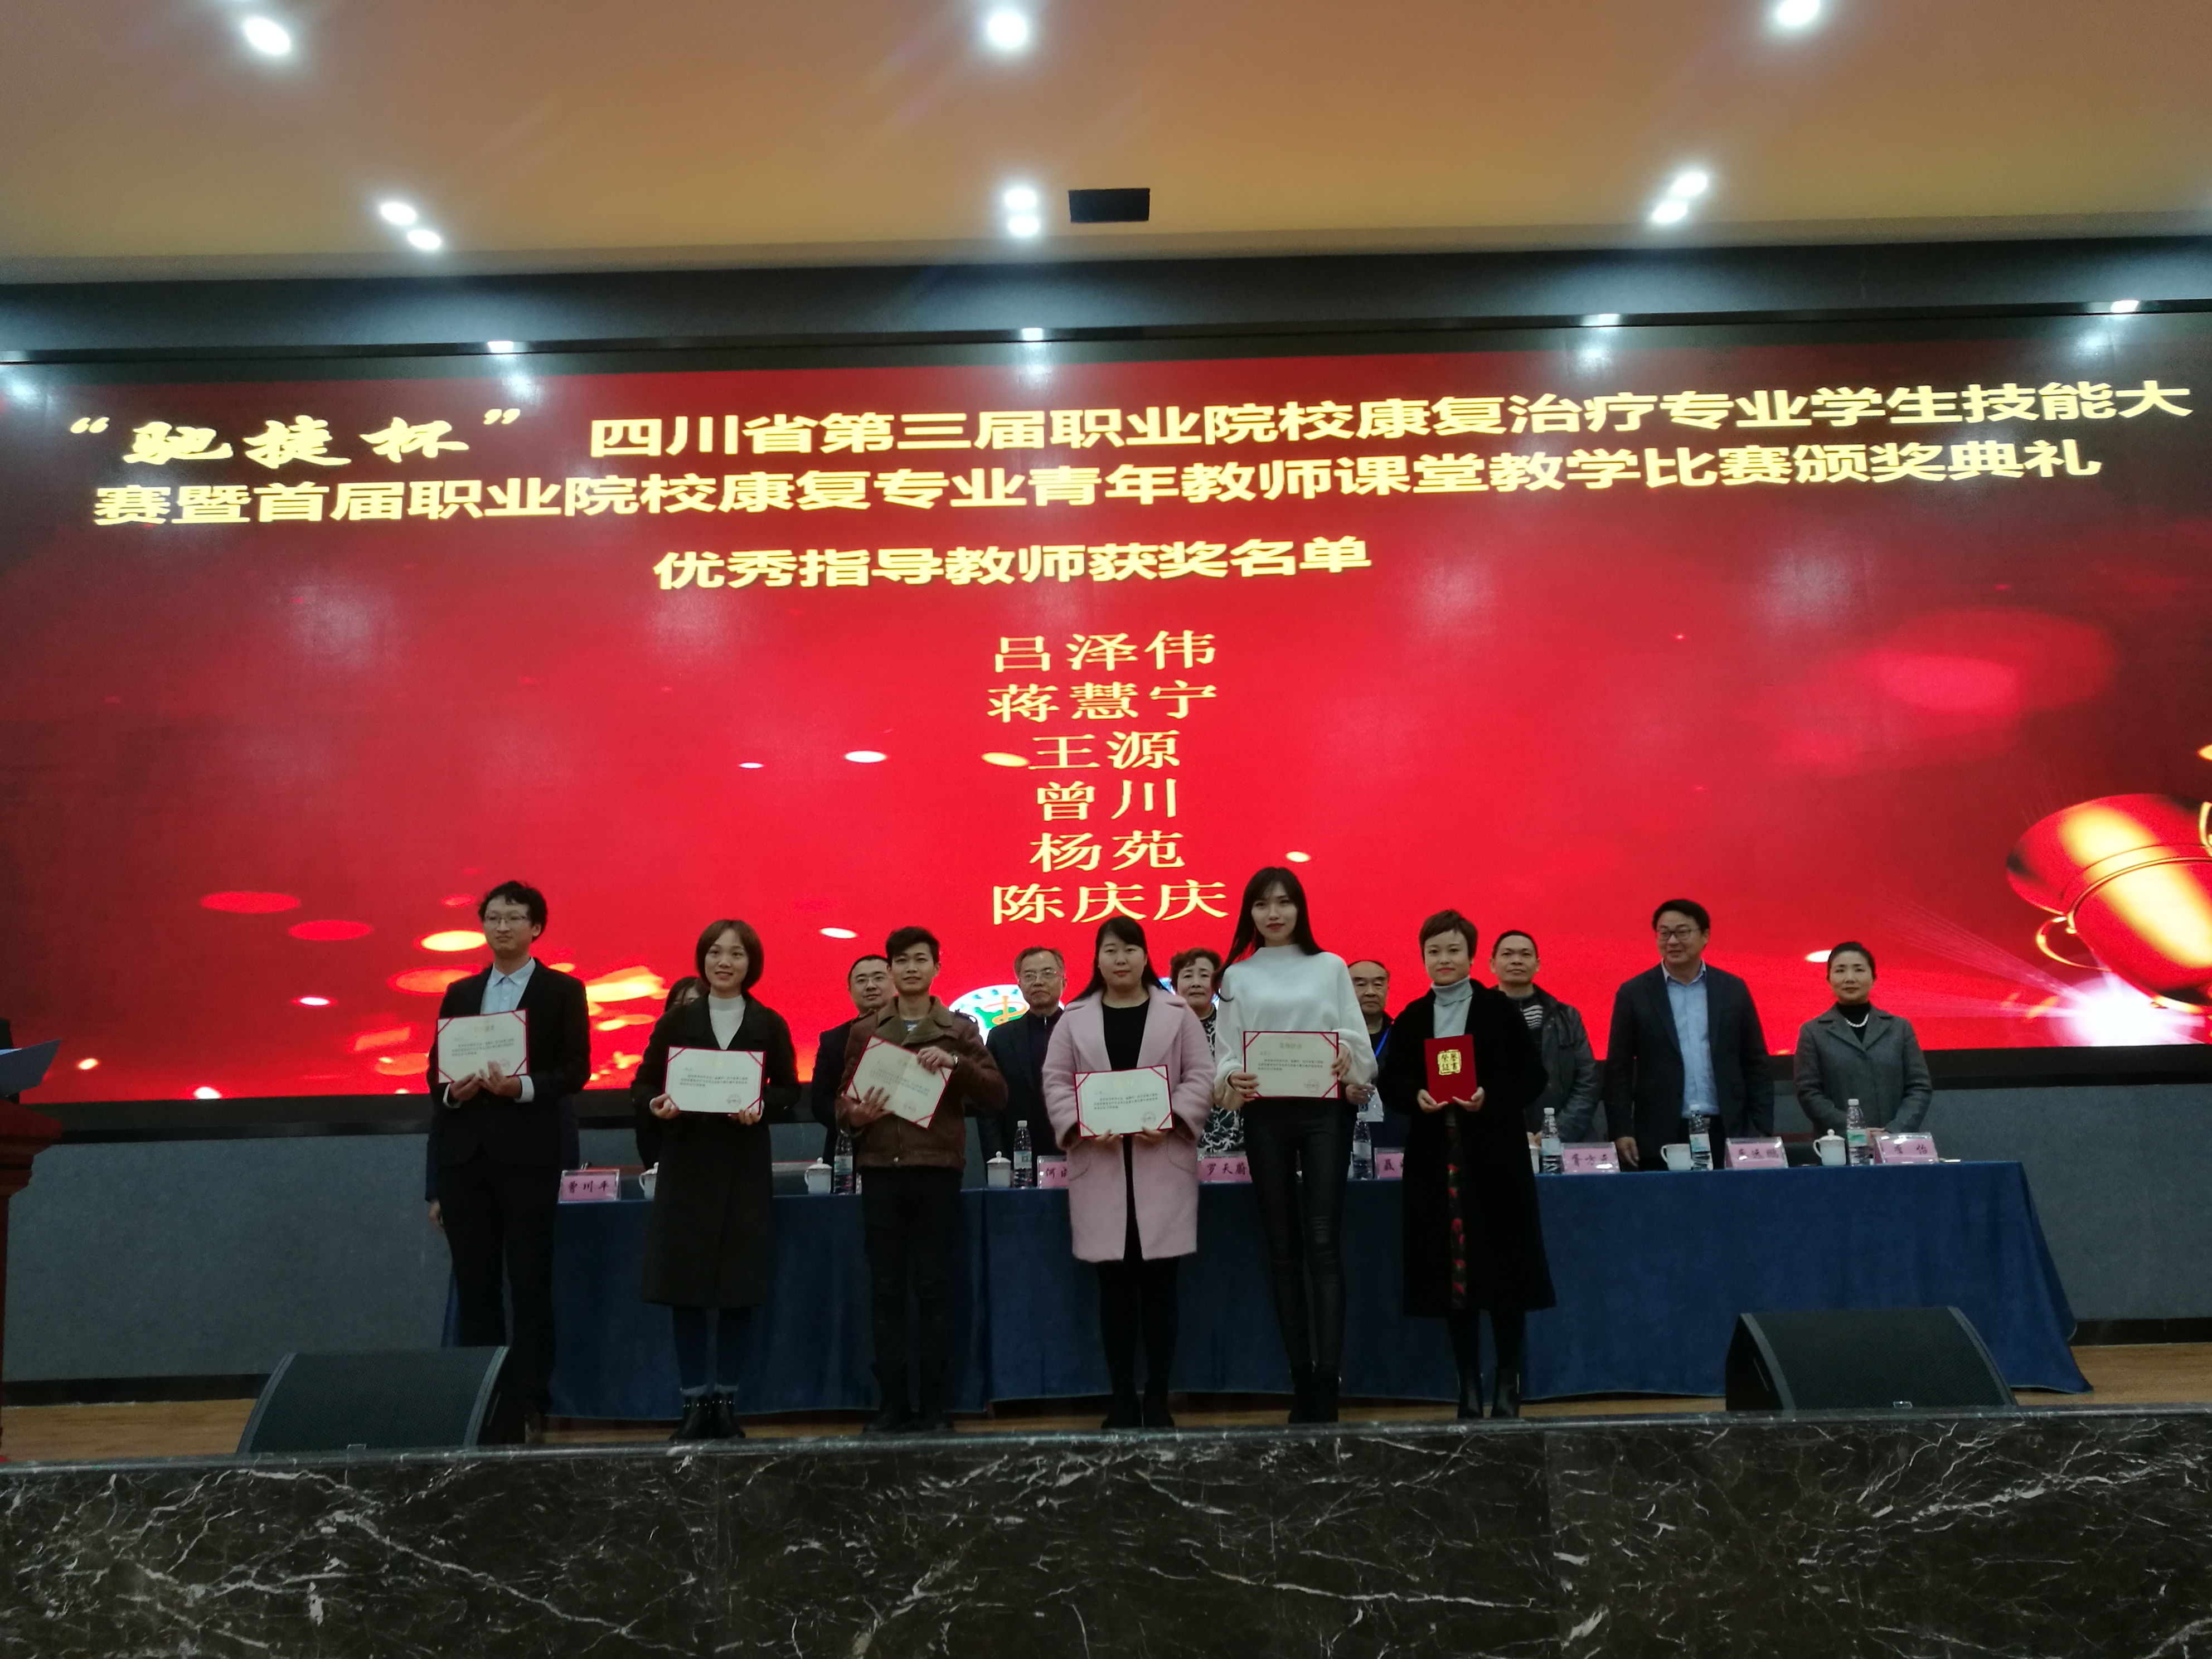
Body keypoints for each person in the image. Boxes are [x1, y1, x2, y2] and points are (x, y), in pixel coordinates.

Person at [423, 880, 590, 1442]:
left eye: (515, 918)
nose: (503, 927)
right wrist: (455, 1092)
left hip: (529, 1160)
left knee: (530, 1288)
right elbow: (435, 1076)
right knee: (476, 1291)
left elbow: (576, 1070)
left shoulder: (562, 991)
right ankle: (481, 1403)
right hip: (466, 1164)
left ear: (536, 927)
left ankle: (529, 1402)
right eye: (494, 917)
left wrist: (519, 1087)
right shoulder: (460, 992)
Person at [1376, 910, 1553, 1419]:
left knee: (1505, 1271)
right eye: (1434, 952)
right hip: (1437, 1164)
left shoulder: (1498, 1010)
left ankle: (1508, 1383)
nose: (1444, 960)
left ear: (1473, 956)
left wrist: (1489, 1095)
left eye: (1453, 950)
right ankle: (1468, 1385)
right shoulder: (1413, 1015)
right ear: (1423, 958)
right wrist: (1417, 1094)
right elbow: (1393, 1081)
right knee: (1454, 1279)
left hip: (1495, 1160)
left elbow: (1532, 1076)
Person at [1213, 866, 1372, 1423]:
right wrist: (1232, 1078)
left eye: (1283, 902)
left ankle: (1328, 1380)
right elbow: (1225, 1056)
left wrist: (1347, 1058)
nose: (1273, 913)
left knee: (1323, 1244)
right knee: (1282, 1248)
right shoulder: (1236, 976)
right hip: (1265, 1116)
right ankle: (1299, 1377)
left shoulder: (1330, 967)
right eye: (1261, 905)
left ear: (1300, 908)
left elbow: (1356, 1041)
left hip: (1324, 1112)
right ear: (1249, 914)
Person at [1042, 918, 1214, 1429]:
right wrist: (1081, 1122)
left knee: (1161, 1291)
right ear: (1097, 959)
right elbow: (1055, 1082)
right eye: (1111, 950)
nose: (1121, 959)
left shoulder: (1176, 1013)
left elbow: (1201, 1075)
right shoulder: (1073, 1019)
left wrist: (1173, 1117)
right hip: (1100, 1166)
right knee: (1113, 1293)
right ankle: (1121, 1399)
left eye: (1131, 949)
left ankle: (1157, 1398)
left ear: (1145, 956)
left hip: (1162, 1164)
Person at [631, 921, 799, 1440]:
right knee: (684, 1288)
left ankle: (726, 1401)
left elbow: (789, 1090)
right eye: (715, 952)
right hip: (686, 1165)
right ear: (702, 959)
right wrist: (656, 1104)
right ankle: (692, 1401)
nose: (724, 962)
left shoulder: (769, 1023)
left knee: (737, 1288)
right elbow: (642, 1083)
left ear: (752, 963)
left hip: (743, 1165)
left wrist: (761, 1106)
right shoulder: (676, 1020)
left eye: (736, 954)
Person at [837, 926, 1007, 1434]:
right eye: (902, 961)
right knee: (886, 1290)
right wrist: (856, 1116)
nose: (911, 969)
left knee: (934, 1288)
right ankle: (892, 1404)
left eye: (920, 960)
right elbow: (843, 1103)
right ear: (890, 970)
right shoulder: (866, 1031)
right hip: (880, 1171)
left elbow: (996, 1094)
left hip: (936, 1170)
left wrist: (956, 1064)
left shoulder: (959, 1029)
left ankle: (935, 1405)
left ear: (937, 967)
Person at [1600, 900, 1773, 1171]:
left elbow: (1756, 1062)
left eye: (1682, 932)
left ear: (1705, 935)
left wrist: (1760, 1128)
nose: (1672, 941)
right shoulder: (1634, 993)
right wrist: (1621, 1130)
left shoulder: (1732, 990)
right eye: (1664, 933)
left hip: (1729, 1127)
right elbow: (1618, 1069)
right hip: (1661, 1132)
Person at [1794, 942, 1933, 1135]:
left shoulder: (1900, 1028)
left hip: (1895, 1143)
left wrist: (1894, 1131)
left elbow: (1919, 1087)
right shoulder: (1813, 1032)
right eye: (1840, 971)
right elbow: (1809, 1092)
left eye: (1859, 970)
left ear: (1874, 977)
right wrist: (1855, 1131)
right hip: (1840, 1143)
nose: (1850, 978)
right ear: (1829, 979)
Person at [1489, 931, 1600, 1142]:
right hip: (1499, 1142)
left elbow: (1587, 1082)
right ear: (1492, 964)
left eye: (1525, 954)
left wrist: (1556, 1131)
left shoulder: (1567, 1016)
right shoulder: (1476, 1016)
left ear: (1538, 965)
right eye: (1507, 954)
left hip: (1563, 1139)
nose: (1517, 960)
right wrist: (1509, 1133)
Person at [979, 944, 1065, 1166]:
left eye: (1047, 974)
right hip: (1019, 1158)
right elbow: (989, 1105)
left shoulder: (1083, 1032)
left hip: (1078, 1155)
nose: (1038, 982)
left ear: (1063, 982)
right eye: (1029, 976)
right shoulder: (1001, 1038)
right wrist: (998, 1159)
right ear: (1019, 985)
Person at [807, 955, 891, 1164]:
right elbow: (820, 1101)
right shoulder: (833, 1039)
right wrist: (851, 1117)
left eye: (878, 978)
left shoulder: (916, 1031)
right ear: (850, 990)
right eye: (861, 980)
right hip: (850, 1152)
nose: (870, 986)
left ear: (895, 982)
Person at [1172, 947, 1240, 1157]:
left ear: (1217, 985)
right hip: (1178, 1132)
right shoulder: (1164, 1030)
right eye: (1187, 976)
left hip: (1233, 1136)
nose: (1196, 983)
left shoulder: (1232, 1027)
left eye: (1204, 975)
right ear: (1175, 985)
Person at [634, 976, 704, 1170]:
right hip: (669, 1144)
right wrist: (655, 1103)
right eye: (677, 1005)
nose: (684, 1010)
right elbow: (641, 1087)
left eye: (692, 1002)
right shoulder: (662, 1043)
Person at [1345, 958, 1402, 1149]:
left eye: (1378, 984)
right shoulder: (1331, 1039)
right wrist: (1343, 1092)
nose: (1371, 992)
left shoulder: (1403, 1036)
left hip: (1394, 1138)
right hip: (1342, 1135)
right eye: (1360, 984)